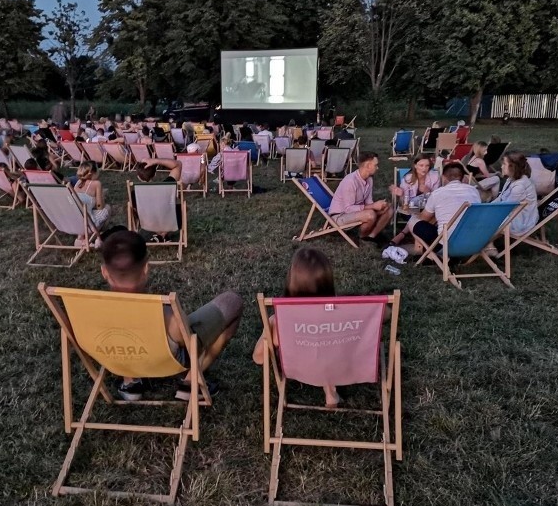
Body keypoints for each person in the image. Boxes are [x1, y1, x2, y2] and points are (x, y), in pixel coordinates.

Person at [100, 230, 243, 401]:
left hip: (116, 356)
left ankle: (131, 382)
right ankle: (189, 383)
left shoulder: (87, 311)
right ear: (146, 268)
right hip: (163, 360)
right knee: (232, 301)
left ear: (104, 272)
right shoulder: (166, 313)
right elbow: (188, 341)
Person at [253, 248, 340, 407]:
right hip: (337, 364)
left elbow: (258, 358)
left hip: (298, 368)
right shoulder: (343, 315)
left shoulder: (279, 322)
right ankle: (330, 391)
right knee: (328, 349)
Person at [328, 151, 393, 246]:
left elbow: (368, 202)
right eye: (376, 165)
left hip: (356, 212)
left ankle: (371, 236)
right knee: (370, 214)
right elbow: (348, 209)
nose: (377, 168)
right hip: (340, 216)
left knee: (389, 209)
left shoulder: (369, 179)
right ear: (368, 166)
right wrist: (373, 206)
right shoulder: (350, 181)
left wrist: (378, 206)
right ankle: (363, 237)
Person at [411, 162, 481, 250]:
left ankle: (427, 254)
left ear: (443, 177)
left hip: (447, 245)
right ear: (462, 178)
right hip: (473, 242)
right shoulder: (474, 191)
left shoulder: (438, 193)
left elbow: (424, 218)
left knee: (414, 222)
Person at [388, 153, 440, 246]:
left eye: (427, 165)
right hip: (411, 210)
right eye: (421, 165)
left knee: (428, 214)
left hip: (429, 208)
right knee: (419, 215)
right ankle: (423, 241)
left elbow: (437, 198)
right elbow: (404, 205)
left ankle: (402, 234)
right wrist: (401, 195)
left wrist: (428, 192)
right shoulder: (408, 178)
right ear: (415, 165)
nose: (424, 168)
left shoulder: (435, 176)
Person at [134, 157, 184, 242]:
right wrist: (156, 161)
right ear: (155, 174)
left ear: (138, 177)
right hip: (170, 222)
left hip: (147, 223)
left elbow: (135, 212)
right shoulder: (167, 186)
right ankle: (164, 234)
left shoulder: (136, 192)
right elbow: (178, 164)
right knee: (182, 208)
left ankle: (160, 235)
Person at [493, 151, 538, 237]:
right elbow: (501, 198)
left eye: (504, 164)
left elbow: (506, 208)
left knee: (484, 222)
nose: (501, 167)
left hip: (520, 223)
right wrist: (486, 206)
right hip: (513, 215)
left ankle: (487, 245)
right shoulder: (511, 179)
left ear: (513, 167)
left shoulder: (520, 186)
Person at [73, 161, 111, 232]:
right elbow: (99, 207)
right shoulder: (96, 184)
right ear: (93, 172)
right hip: (88, 225)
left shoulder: (78, 183)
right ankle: (99, 234)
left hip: (75, 222)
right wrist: (101, 195)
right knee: (108, 208)